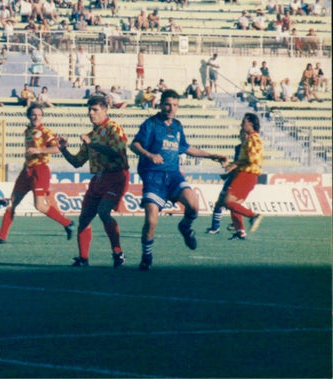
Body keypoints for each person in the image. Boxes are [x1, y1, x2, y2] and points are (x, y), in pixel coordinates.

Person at [131, 89, 227, 271]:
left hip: (174, 175)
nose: (171, 108)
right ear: (161, 105)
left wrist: (210, 155)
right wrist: (149, 154)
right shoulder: (150, 124)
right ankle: (147, 255)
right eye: (168, 104)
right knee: (151, 221)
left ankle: (185, 226)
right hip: (153, 176)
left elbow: (185, 147)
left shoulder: (177, 125)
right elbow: (134, 144)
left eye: (175, 105)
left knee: (194, 205)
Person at [0, 105, 75, 244]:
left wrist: (38, 150)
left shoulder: (46, 132)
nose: (36, 117)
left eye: (39, 114)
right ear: (29, 116)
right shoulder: (27, 131)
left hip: (40, 170)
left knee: (39, 206)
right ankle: (1, 236)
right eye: (33, 114)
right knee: (12, 203)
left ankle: (67, 223)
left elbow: (57, 149)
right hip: (26, 170)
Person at [58, 95, 129, 267]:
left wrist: (92, 144)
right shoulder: (91, 135)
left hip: (115, 176)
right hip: (98, 178)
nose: (91, 113)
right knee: (84, 219)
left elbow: (117, 153)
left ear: (105, 110)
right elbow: (77, 162)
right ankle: (83, 258)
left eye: (95, 110)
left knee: (104, 212)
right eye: (89, 110)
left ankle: (118, 253)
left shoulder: (113, 128)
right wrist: (64, 150)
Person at [206, 114, 264, 239]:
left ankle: (253, 215)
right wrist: (230, 165)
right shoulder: (249, 140)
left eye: (244, 122)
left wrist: (235, 165)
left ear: (251, 123)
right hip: (245, 175)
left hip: (246, 174)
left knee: (227, 202)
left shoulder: (253, 138)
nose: (241, 124)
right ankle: (240, 231)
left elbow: (252, 160)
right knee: (233, 204)